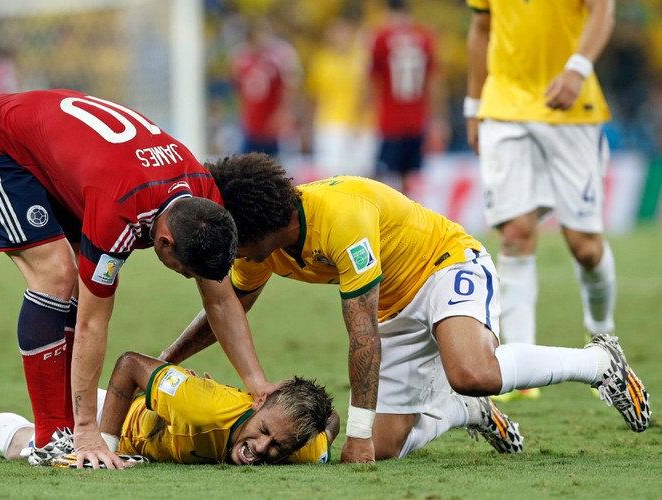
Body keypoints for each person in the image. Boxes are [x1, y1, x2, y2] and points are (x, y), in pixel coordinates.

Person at [160, 154, 650, 464]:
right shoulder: (261, 250)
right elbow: (226, 313)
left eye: (234, 242)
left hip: (444, 266)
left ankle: (600, 362)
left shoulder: (340, 218)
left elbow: (362, 333)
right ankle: (465, 413)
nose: (230, 255)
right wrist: (167, 363)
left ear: (259, 225)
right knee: (387, 445)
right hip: (391, 310)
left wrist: (355, 433)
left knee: (472, 370)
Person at [0, 89, 278, 469]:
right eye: (185, 270)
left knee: (68, 278)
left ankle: (60, 426)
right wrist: (90, 429)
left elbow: (219, 299)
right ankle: (55, 435)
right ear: (164, 242)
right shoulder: (120, 215)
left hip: (63, 157)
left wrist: (257, 383)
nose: (187, 277)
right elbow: (91, 322)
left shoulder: (204, 197)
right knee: (56, 274)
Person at [465, 1, 616, 401]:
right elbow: (481, 29)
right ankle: (523, 369)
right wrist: (473, 106)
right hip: (504, 106)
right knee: (515, 234)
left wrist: (578, 68)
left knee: (584, 246)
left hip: (571, 108)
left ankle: (603, 334)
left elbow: (604, 11)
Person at [0, 352, 337, 467]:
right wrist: (104, 444)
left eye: (277, 447)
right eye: (262, 432)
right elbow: (130, 365)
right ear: (257, 403)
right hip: (120, 417)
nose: (260, 448)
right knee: (34, 449)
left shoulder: (300, 441)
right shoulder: (204, 406)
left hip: (142, 435)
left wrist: (343, 431)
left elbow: (328, 425)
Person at [368, 0, 449, 194]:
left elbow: (371, 80)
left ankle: (382, 218)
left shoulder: (380, 37)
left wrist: (364, 112)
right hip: (416, 119)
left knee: (382, 176)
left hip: (389, 119)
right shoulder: (425, 37)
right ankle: (405, 220)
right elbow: (434, 83)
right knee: (409, 179)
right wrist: (438, 117)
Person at [303, 15, 375, 178]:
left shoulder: (362, 60)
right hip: (330, 124)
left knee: (361, 174)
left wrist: (361, 119)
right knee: (331, 174)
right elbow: (313, 97)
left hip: (361, 125)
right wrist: (307, 128)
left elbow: (369, 92)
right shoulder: (321, 61)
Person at [230, 19, 302, 157]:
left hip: (273, 124)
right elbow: (238, 89)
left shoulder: (282, 56)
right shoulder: (241, 58)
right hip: (252, 122)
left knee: (278, 164)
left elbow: (290, 87)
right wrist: (241, 113)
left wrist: (284, 113)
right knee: (249, 163)